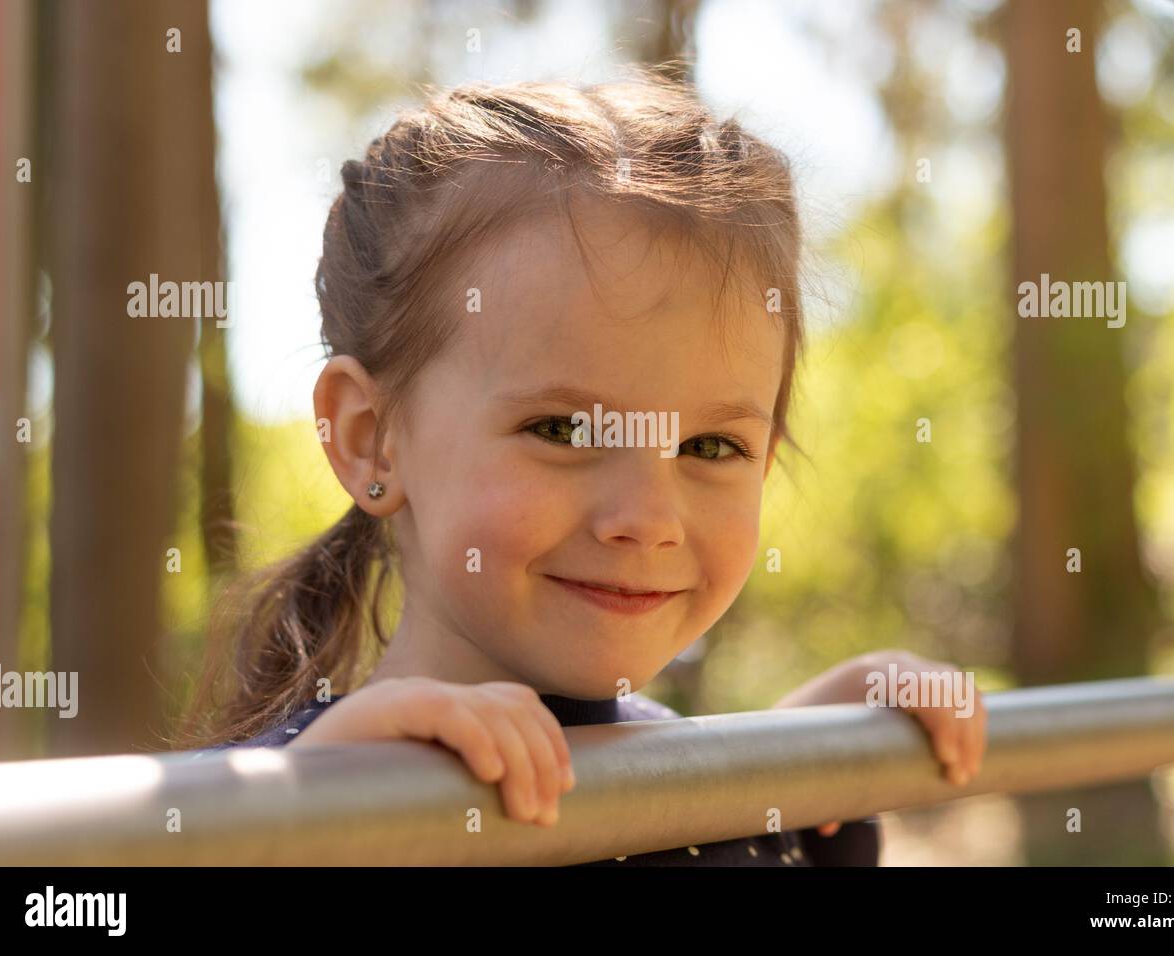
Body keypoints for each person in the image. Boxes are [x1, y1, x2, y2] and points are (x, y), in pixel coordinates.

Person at [179, 67, 986, 866]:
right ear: (370, 438)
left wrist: (809, 746)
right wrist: (317, 812)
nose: (647, 519)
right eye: (563, 429)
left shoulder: (714, 808)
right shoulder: (252, 809)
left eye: (710, 447)